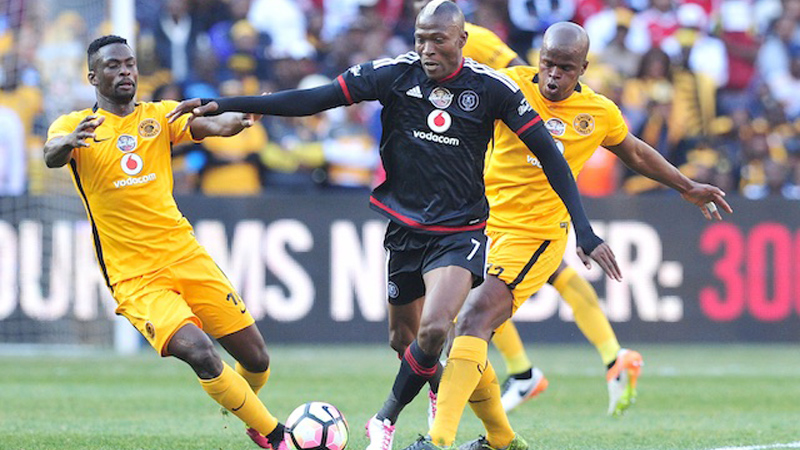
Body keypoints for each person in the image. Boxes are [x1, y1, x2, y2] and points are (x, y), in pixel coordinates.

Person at [166, 3, 619, 450]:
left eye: (437, 39)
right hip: (406, 227)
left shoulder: (492, 88)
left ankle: (388, 420)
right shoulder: (395, 74)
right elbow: (317, 99)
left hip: (463, 232)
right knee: (403, 339)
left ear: (461, 40)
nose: (426, 48)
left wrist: (583, 229)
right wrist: (223, 103)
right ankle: (476, 416)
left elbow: (549, 155)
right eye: (420, 38)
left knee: (438, 328)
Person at [407, 22, 732, 450]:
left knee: (474, 318)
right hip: (480, 226)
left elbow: (634, 151)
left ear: (583, 68)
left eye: (565, 68)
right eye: (548, 65)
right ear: (537, 60)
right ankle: (501, 439)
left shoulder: (596, 113)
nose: (554, 76)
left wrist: (686, 186)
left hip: (535, 237)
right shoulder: (510, 85)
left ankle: (439, 441)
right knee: (456, 329)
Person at [43, 35, 287, 450]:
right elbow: (52, 153)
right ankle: (278, 436)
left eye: (130, 64)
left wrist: (240, 118)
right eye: (114, 65)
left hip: (186, 255)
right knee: (200, 351)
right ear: (92, 76)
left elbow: (211, 126)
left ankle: (244, 409)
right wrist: (67, 143)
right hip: (136, 276)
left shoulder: (158, 117)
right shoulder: (74, 126)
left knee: (257, 361)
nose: (125, 72)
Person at [411, 0, 638, 418]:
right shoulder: (434, 45)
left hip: (522, 184)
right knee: (487, 295)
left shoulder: (476, 41)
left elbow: (522, 81)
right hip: (494, 195)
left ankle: (527, 371)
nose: (431, 48)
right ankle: (605, 357)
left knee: (482, 297)